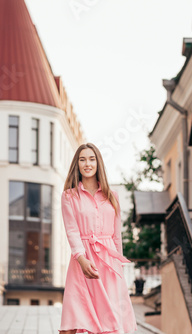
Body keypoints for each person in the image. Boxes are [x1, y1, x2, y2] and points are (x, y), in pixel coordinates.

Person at [58, 143, 137, 334]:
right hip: (82, 261)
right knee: (75, 317)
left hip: (109, 264)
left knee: (109, 318)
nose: (87, 164)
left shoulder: (113, 196)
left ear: (98, 163)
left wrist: (119, 266)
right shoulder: (69, 196)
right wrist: (82, 258)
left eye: (92, 159)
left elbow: (116, 235)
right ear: (77, 164)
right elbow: (72, 230)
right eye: (82, 159)